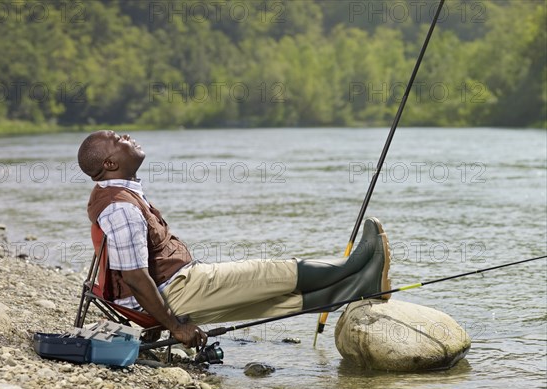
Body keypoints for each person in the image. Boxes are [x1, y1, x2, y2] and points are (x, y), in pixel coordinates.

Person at [78, 130, 392, 348]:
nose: (127, 137)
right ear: (110, 164)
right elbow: (134, 276)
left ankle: (362, 286)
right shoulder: (121, 207)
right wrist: (174, 326)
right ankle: (356, 265)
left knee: (273, 302)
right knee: (273, 273)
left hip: (174, 288)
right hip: (177, 290)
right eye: (118, 140)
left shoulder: (116, 195)